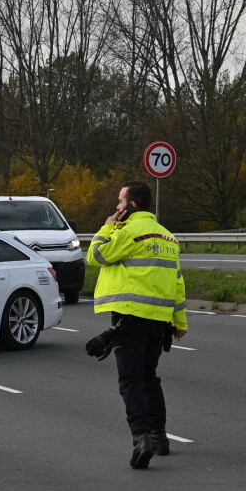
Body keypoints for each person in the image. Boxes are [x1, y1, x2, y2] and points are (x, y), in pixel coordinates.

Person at [85, 181, 188, 469]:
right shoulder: (168, 238)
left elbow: (96, 255)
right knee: (149, 377)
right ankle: (159, 437)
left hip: (129, 318)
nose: (116, 207)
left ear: (132, 205)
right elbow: (177, 282)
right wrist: (179, 321)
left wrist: (107, 227)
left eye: (120, 201)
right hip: (159, 322)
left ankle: (140, 437)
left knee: (130, 380)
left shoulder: (128, 232)